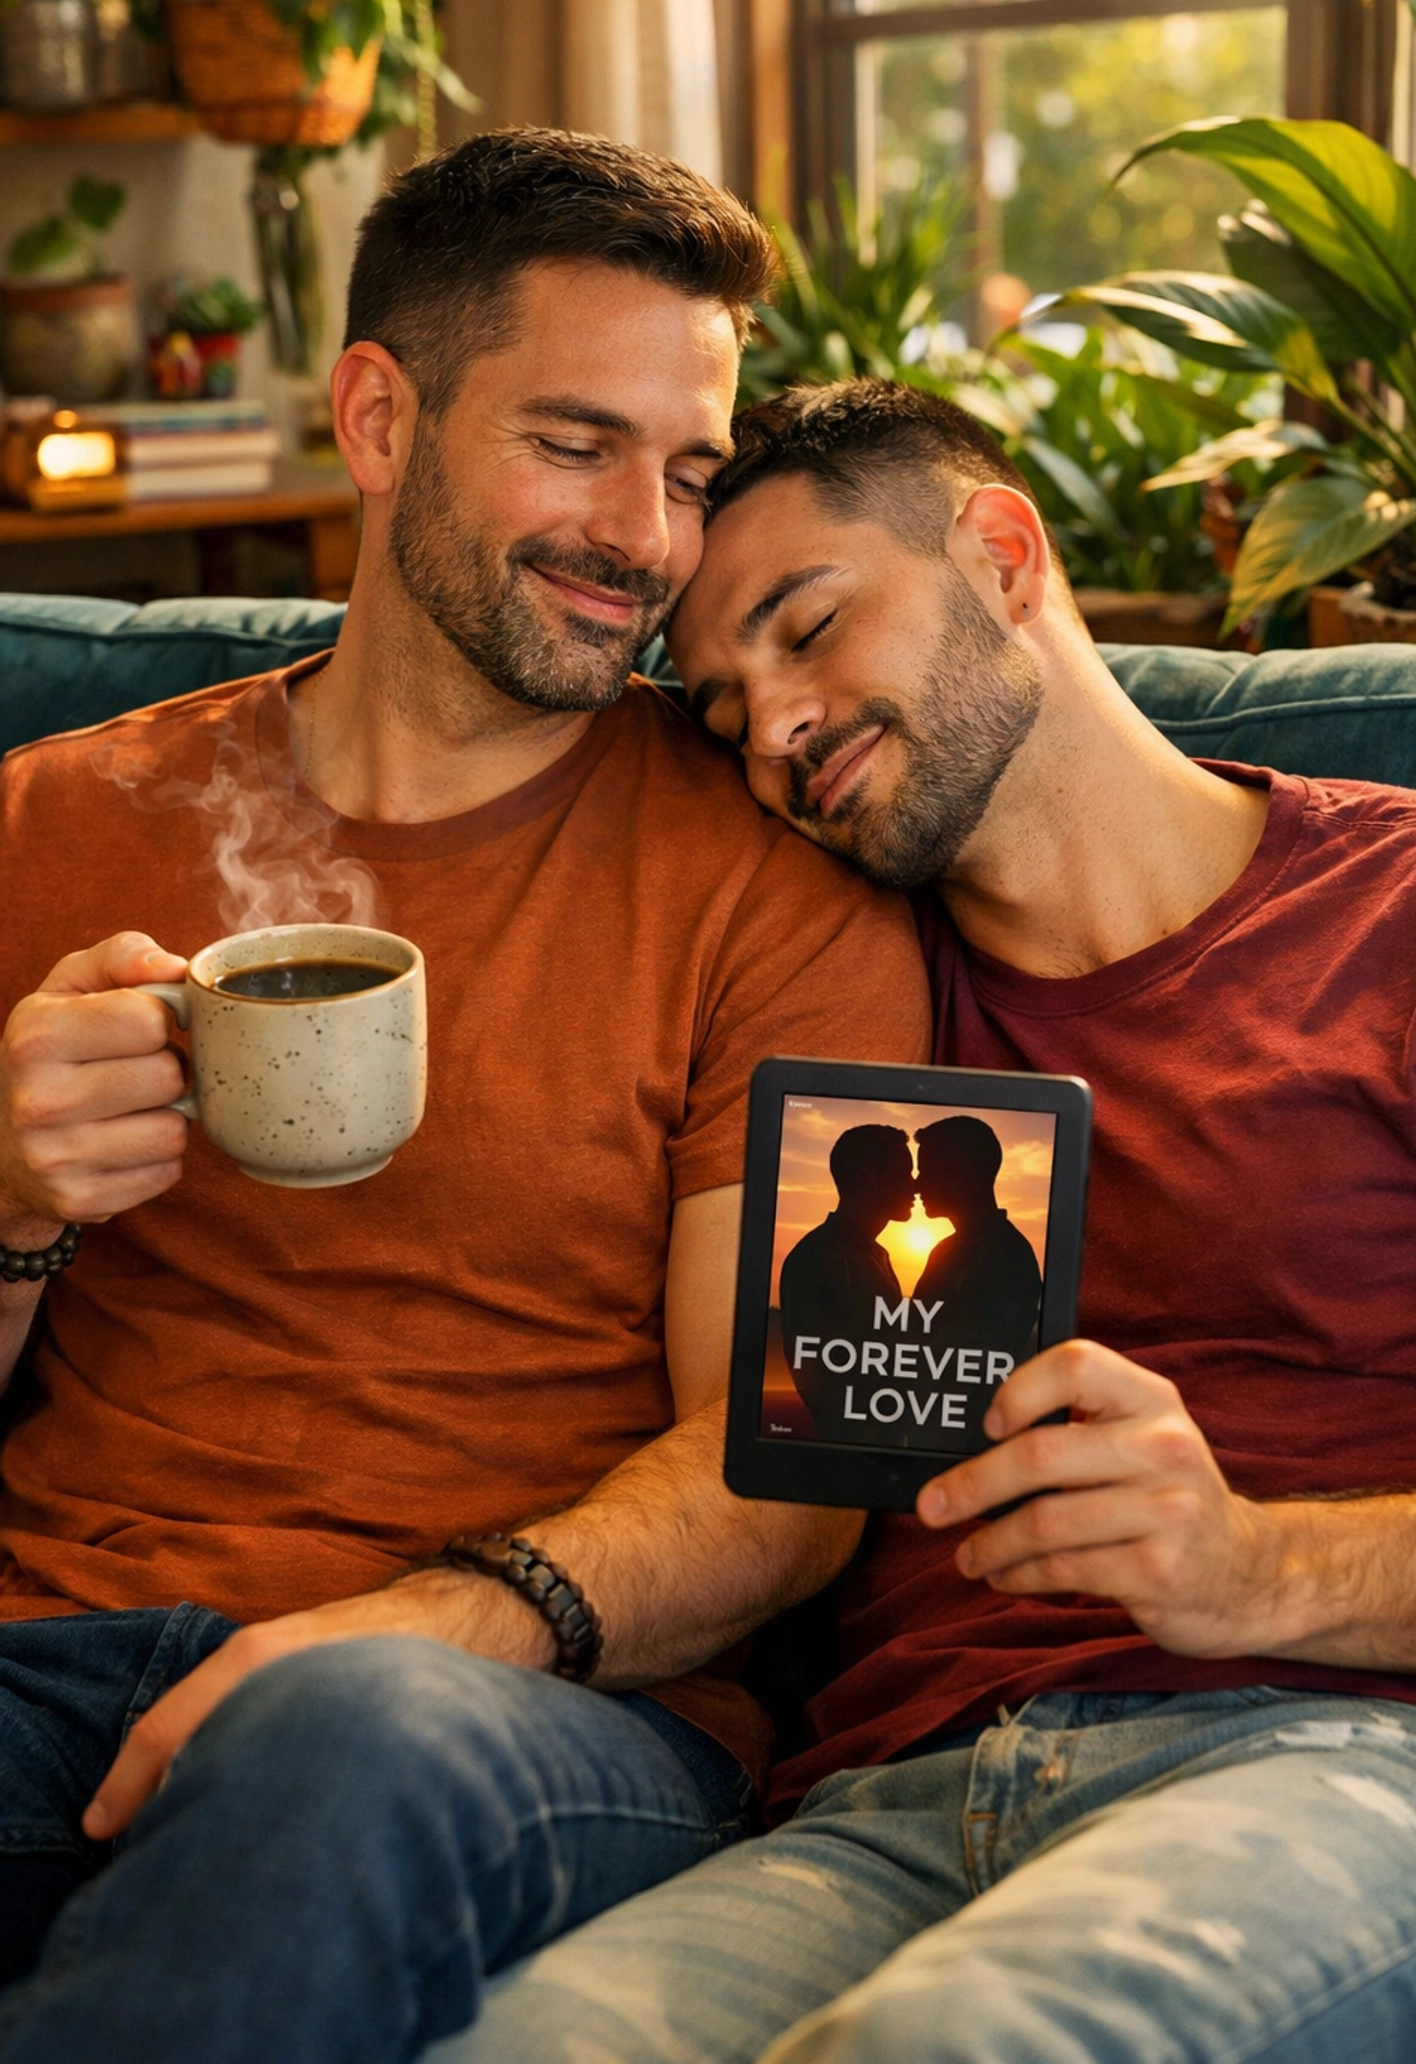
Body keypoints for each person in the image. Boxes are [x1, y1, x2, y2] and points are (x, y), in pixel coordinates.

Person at [456, 378, 1416, 2063]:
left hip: (1347, 1759)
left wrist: (1254, 1561)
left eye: (807, 628)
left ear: (1005, 550)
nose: (773, 730)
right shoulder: (817, 1008)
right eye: (725, 704)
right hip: (878, 1806)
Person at [0, 156, 930, 2064]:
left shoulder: (778, 879)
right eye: (576, 446)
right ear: (375, 416)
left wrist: (431, 1623)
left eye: (687, 469)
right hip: (45, 1649)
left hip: (516, 1709)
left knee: (338, 1739)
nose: (647, 538)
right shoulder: (48, 824)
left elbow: (795, 1468)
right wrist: (5, 1197)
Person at [909, 1114, 1043, 1438]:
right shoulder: (949, 1249)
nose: (916, 1183)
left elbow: (974, 1371)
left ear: (964, 1174)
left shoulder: (1005, 1256)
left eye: (927, 1171)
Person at [779, 1122, 915, 1441]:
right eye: (903, 1175)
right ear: (867, 1181)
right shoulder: (817, 1255)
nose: (915, 1187)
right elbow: (808, 1364)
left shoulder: (878, 1253)